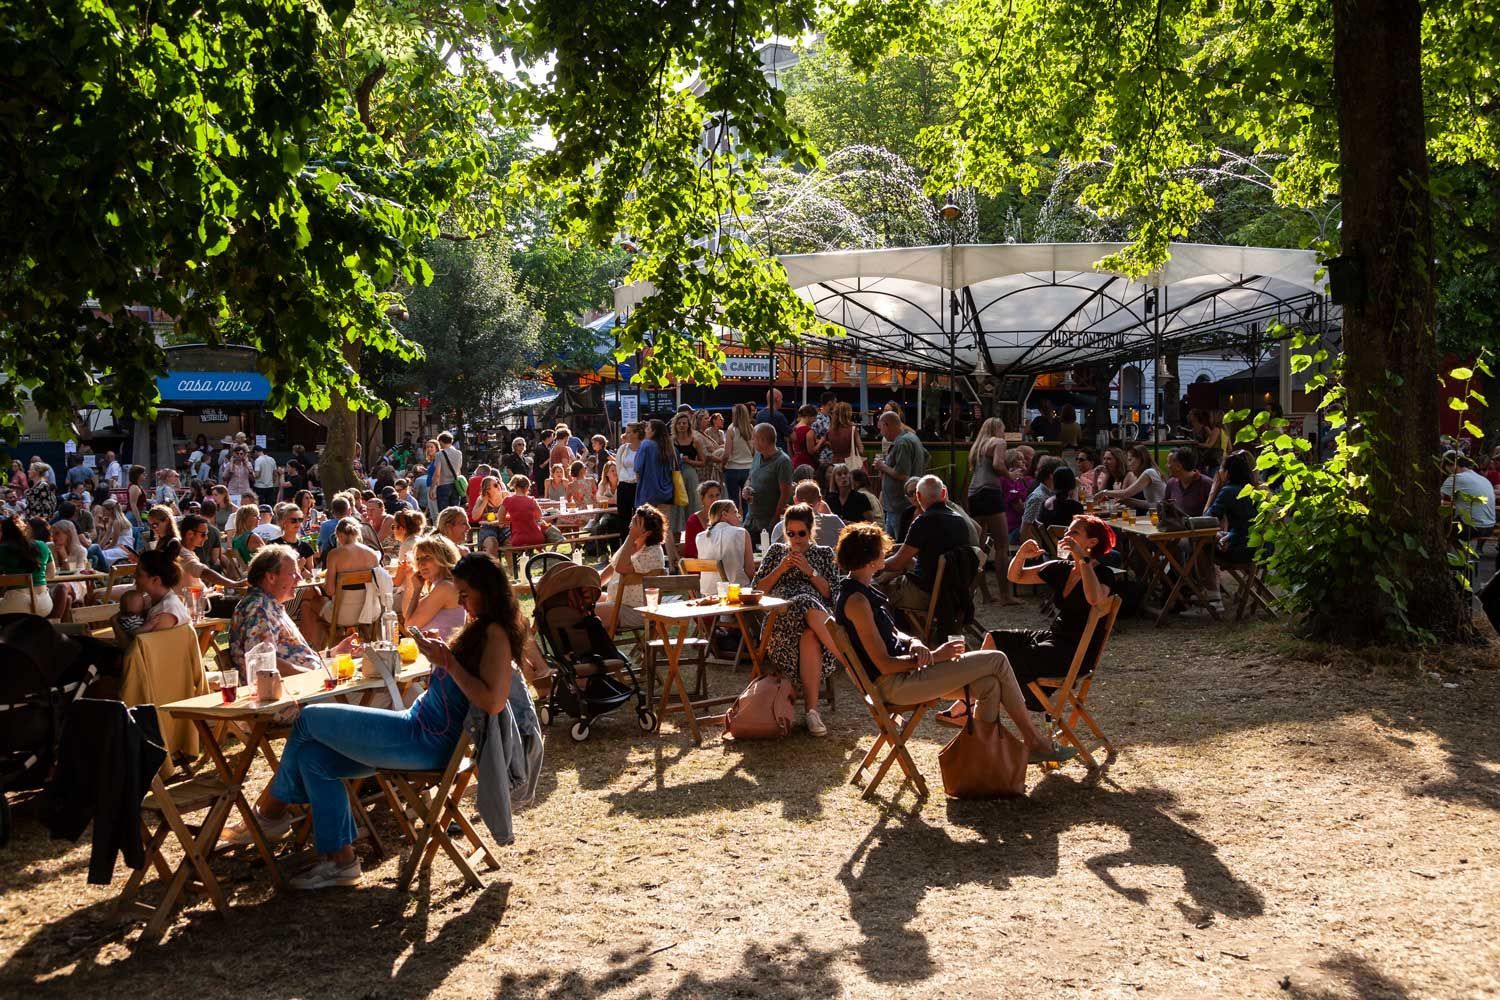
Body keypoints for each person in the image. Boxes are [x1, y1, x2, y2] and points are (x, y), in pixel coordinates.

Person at [224, 551, 520, 889]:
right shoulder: (481, 627)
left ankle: (272, 815)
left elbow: (493, 702)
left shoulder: (494, 633)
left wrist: (448, 662)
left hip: (424, 740)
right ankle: (341, 862)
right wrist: (442, 657)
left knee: (309, 719)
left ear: (489, 590)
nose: (462, 601)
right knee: (312, 758)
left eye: (467, 594)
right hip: (419, 731)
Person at [835, 522, 1072, 763]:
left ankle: (981, 762)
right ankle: (1034, 742)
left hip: (904, 678)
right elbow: (884, 664)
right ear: (869, 557)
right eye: (880, 550)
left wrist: (914, 642)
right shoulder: (857, 601)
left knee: (989, 685)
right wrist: (937, 656)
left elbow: (894, 633)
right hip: (893, 685)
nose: (885, 553)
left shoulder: (863, 591)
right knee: (997, 659)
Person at [955, 515, 1120, 725]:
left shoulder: (1103, 574)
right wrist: (1022, 555)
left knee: (1008, 659)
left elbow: (1094, 598)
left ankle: (972, 709)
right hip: (1054, 637)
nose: (1067, 536)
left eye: (1074, 533)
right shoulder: (1062, 568)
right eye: (1067, 531)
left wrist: (1082, 559)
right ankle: (968, 703)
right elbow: (1016, 576)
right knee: (994, 639)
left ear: (1093, 542)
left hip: (1075, 651)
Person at [750, 504, 842, 735]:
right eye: (790, 533)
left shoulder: (823, 554)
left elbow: (832, 593)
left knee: (810, 634)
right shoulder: (776, 552)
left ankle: (812, 713)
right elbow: (757, 590)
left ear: (810, 530)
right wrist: (781, 569)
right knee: (802, 600)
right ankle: (850, 661)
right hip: (780, 623)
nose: (795, 539)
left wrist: (810, 571)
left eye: (801, 533)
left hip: (814, 627)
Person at [229, 545, 358, 677]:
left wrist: (334, 653)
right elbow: (263, 663)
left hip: (309, 684)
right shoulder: (258, 610)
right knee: (376, 688)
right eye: (293, 573)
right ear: (271, 577)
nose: (299, 578)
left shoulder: (269, 605)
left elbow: (298, 656)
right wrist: (318, 676)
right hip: (291, 691)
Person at [878, 475, 974, 615]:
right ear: (944, 493)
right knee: (906, 565)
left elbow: (896, 563)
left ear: (918, 496)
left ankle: (897, 633)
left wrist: (873, 563)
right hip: (953, 590)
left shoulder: (923, 522)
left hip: (927, 593)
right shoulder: (959, 520)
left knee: (875, 589)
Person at [967, 418, 1019, 606]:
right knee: (1002, 546)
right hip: (990, 492)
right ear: (998, 429)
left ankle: (985, 595)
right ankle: (1005, 595)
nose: (1004, 433)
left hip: (974, 495)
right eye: (1004, 429)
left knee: (979, 549)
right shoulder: (998, 442)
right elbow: (998, 464)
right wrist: (1010, 475)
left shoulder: (977, 446)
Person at [595, 505, 668, 630]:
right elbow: (612, 567)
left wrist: (631, 536)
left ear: (647, 532)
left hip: (635, 610)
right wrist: (591, 587)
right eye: (633, 519)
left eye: (636, 523)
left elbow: (621, 568)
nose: (631, 525)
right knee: (581, 603)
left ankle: (599, 647)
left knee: (586, 613)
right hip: (617, 601)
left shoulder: (653, 552)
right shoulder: (633, 544)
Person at [871, 411, 927, 540]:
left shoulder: (902, 443)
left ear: (886, 425)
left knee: (897, 544)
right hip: (899, 504)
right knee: (892, 544)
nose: (881, 433)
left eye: (881, 429)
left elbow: (902, 474)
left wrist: (882, 466)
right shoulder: (913, 438)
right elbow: (926, 457)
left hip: (900, 504)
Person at [404, 534, 467, 636]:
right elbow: (408, 616)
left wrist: (417, 591)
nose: (421, 563)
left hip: (445, 650)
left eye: (427, 557)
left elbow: (410, 627)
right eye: (418, 559)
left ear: (442, 558)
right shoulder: (441, 585)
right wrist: (413, 586)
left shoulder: (445, 587)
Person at [693, 499, 754, 595]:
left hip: (707, 594)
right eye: (735, 512)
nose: (739, 516)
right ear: (724, 514)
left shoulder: (700, 537)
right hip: (735, 592)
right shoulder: (741, 533)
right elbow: (750, 571)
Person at [1207, 451, 1257, 566]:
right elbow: (1246, 526)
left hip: (1243, 551)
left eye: (1220, 469)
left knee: (1200, 547)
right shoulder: (1258, 489)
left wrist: (1214, 489)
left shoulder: (1229, 491)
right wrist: (1226, 536)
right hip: (1264, 550)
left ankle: (1207, 584)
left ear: (1227, 472)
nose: (1218, 473)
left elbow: (1207, 520)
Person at [743, 422, 792, 540]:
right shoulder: (758, 455)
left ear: (763, 440)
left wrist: (774, 520)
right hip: (751, 520)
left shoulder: (782, 461)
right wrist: (746, 488)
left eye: (754, 438)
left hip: (768, 523)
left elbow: (785, 494)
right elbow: (750, 477)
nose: (752, 441)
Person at [132, 543, 194, 633]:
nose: (135, 577)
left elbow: (144, 646)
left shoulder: (166, 611)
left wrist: (116, 624)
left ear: (155, 580)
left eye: (139, 574)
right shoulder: (153, 602)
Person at [771, 481, 845, 549]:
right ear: (820, 499)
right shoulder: (835, 522)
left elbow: (774, 555)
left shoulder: (781, 527)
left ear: (795, 500)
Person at [1441, 451, 1497, 540]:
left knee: (1439, 525)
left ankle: (1443, 552)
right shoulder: (1481, 478)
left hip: (1471, 528)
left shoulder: (1456, 478)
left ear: (1452, 465)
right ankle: (1457, 551)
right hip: (1490, 527)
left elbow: (1436, 499)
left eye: (1445, 466)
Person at [1098, 445, 1167, 511]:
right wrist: (1129, 501)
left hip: (1160, 516)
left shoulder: (1149, 472)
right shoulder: (1150, 472)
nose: (1128, 463)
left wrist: (1104, 492)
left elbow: (1126, 493)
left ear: (1140, 459)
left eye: (1130, 460)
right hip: (1155, 514)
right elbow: (1151, 504)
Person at [633, 418, 677, 515]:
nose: (645, 430)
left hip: (648, 491)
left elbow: (638, 468)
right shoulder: (669, 446)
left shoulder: (646, 445)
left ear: (653, 431)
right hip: (667, 492)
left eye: (648, 428)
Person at [1019, 456, 1064, 547]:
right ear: (1052, 475)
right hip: (1050, 548)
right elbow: (1025, 530)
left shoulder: (1053, 493)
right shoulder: (1038, 498)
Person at [722, 404, 756, 511]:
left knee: (733, 501)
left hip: (732, 469)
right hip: (748, 469)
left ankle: (734, 523)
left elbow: (727, 453)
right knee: (747, 500)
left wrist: (722, 465)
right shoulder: (751, 428)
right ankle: (747, 523)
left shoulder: (731, 429)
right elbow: (754, 451)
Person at [1164, 447, 1212, 516]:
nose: (1167, 466)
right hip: (1176, 526)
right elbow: (1166, 508)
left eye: (1169, 463)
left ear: (1178, 466)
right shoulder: (1171, 483)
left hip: (1200, 526)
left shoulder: (1207, 484)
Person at [682, 480, 722, 558]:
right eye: (711, 496)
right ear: (702, 498)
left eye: (717, 495)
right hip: (700, 565)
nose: (715, 499)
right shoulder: (693, 521)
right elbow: (690, 551)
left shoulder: (725, 516)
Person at [470, 476, 509, 555]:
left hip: (504, 527)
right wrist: (485, 501)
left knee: (508, 543)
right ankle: (491, 566)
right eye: (495, 485)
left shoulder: (506, 495)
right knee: (492, 543)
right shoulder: (481, 499)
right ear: (487, 489)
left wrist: (498, 516)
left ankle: (511, 567)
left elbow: (512, 512)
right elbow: (474, 516)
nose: (499, 486)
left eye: (498, 482)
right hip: (488, 528)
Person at [430, 431, 464, 511]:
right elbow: (459, 470)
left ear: (441, 441)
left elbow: (437, 473)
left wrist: (432, 488)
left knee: (444, 513)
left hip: (443, 486)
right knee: (455, 512)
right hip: (456, 485)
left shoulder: (439, 454)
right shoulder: (459, 453)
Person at [755, 388, 792, 453]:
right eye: (781, 399)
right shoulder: (779, 416)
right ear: (777, 399)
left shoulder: (759, 415)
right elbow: (793, 437)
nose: (782, 401)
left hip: (763, 453)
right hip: (778, 453)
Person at [615, 424, 640, 515]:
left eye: (628, 432)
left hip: (639, 485)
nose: (625, 435)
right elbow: (619, 466)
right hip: (624, 485)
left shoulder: (644, 449)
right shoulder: (623, 448)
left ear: (637, 434)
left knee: (640, 514)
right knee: (623, 516)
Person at [790, 404, 820, 470]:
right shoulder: (808, 431)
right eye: (814, 417)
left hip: (795, 462)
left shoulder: (793, 429)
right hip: (806, 463)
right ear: (809, 416)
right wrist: (821, 441)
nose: (815, 420)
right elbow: (811, 451)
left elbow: (790, 448)